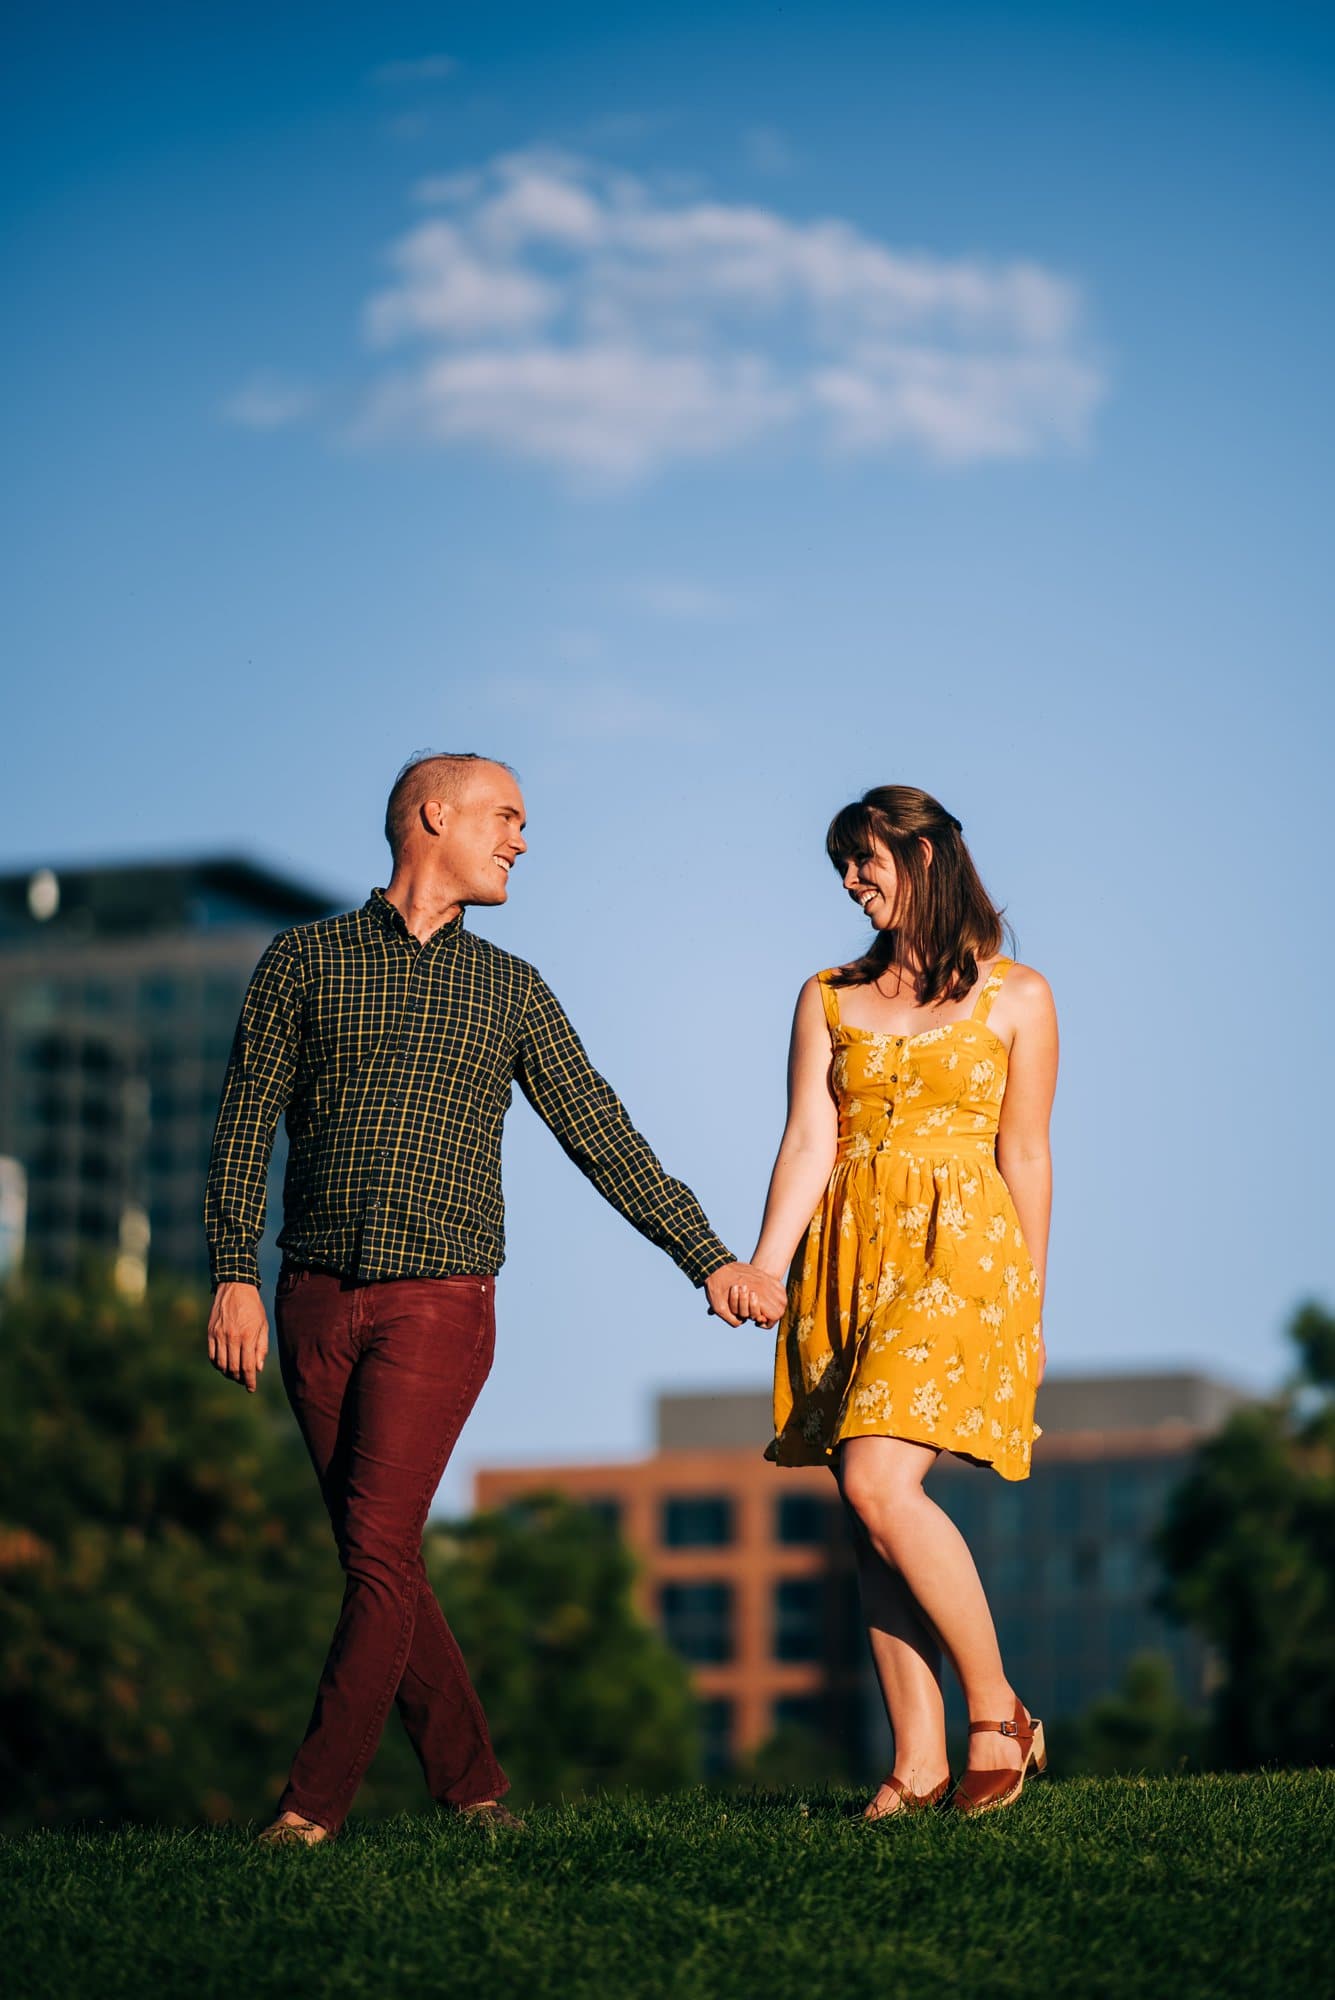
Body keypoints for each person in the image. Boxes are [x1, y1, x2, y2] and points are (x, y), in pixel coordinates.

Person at [204, 752, 786, 1846]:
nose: (523, 838)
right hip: (313, 1300)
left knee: (379, 1550)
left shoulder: (511, 987)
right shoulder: (301, 960)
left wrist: (706, 1255)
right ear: (436, 814)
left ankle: (306, 1807)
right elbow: (244, 1124)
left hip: (441, 1304)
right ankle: (473, 1793)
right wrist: (234, 1267)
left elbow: (601, 1131)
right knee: (382, 1560)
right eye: (508, 817)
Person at [735, 785, 1058, 1818]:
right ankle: (915, 1762)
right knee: (865, 1510)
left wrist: (1029, 1305)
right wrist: (766, 1262)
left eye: (863, 858)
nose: (849, 880)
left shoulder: (1021, 995)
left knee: (881, 1481)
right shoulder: (826, 993)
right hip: (846, 1255)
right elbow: (806, 1140)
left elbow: (1027, 1151)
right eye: (841, 864)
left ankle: (997, 1711)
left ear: (925, 854)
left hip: (962, 1256)